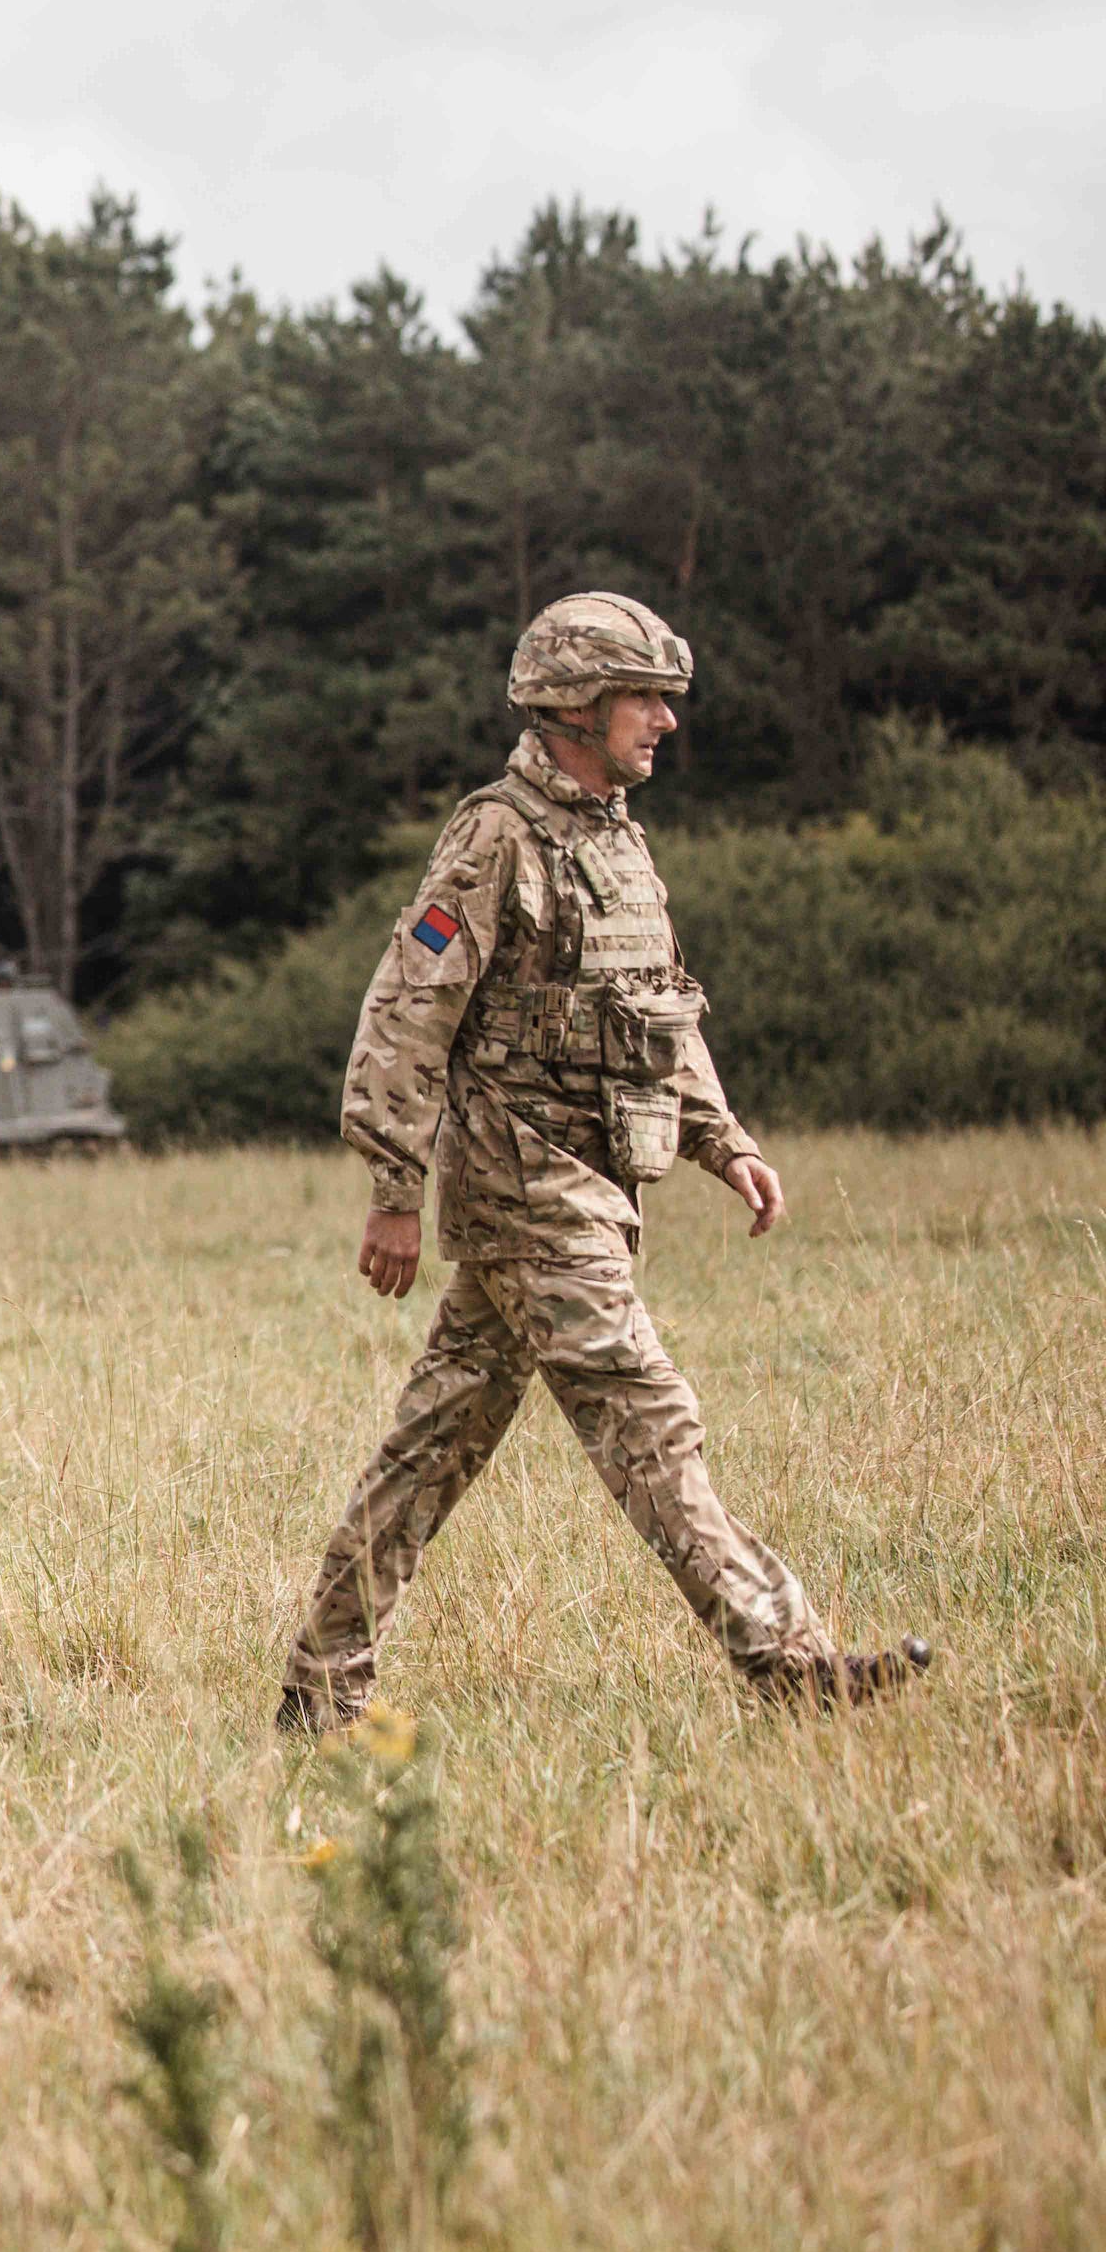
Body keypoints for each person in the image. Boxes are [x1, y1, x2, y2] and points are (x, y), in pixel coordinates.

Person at [278, 595, 933, 1731]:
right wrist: (391, 1191)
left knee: (433, 1445)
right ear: (575, 705)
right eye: (644, 696)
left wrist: (722, 1140)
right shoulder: (496, 837)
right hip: (524, 1185)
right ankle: (788, 1662)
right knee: (646, 1407)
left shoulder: (615, 840)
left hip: (591, 1184)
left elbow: (656, 1013)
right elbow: (403, 1013)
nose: (665, 721)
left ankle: (320, 1686)